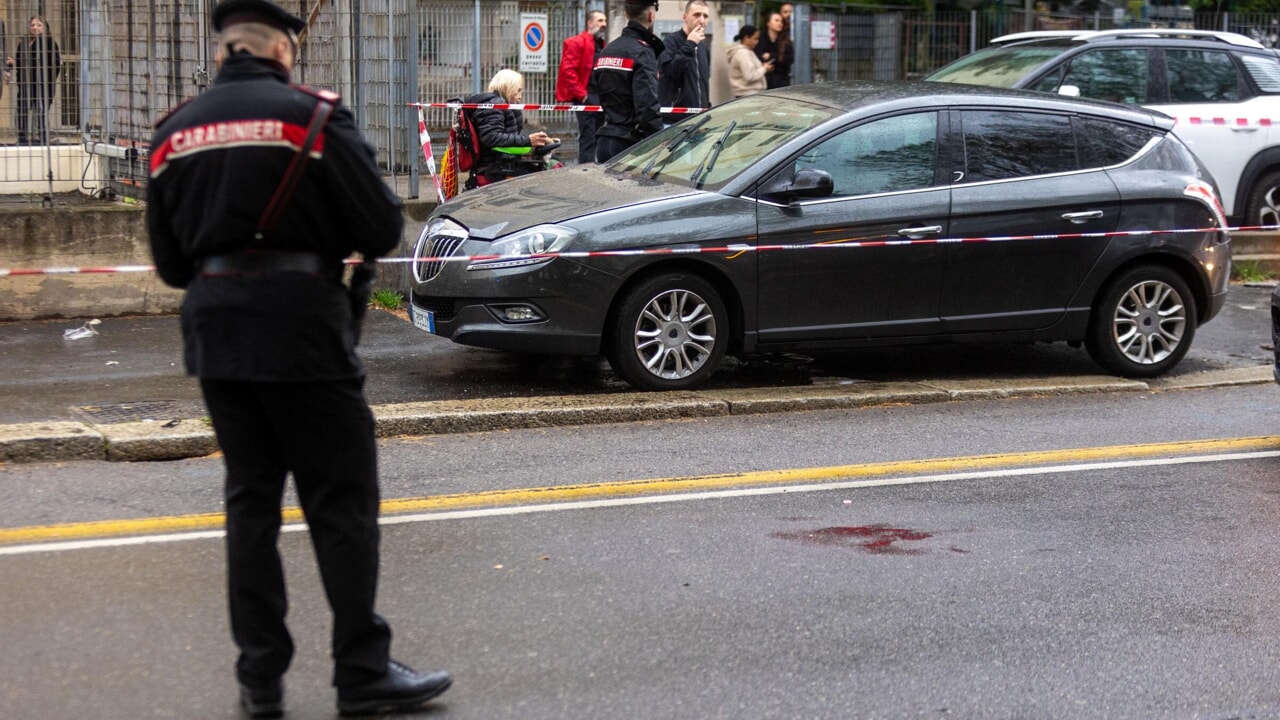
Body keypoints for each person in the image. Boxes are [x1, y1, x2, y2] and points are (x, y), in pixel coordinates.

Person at [145, 1, 451, 717]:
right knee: (341, 503)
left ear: (226, 51)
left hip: (218, 333)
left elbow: (167, 264)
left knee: (250, 503)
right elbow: (377, 226)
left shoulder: (172, 132)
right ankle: (360, 672)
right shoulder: (311, 117)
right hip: (305, 330)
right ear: (283, 49)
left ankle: (260, 684)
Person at [588, 0, 664, 163]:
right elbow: (647, 106)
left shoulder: (607, 50)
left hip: (605, 140)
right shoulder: (643, 52)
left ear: (626, 14)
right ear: (651, 16)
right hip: (631, 145)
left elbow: (598, 93)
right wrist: (660, 142)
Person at [468, 68, 558, 188]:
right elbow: (491, 137)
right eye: (518, 91)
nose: (520, 96)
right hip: (495, 168)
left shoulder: (503, 105)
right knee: (553, 170)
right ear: (508, 87)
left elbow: (507, 138)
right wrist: (528, 141)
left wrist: (535, 143)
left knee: (553, 163)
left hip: (504, 164)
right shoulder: (493, 105)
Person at [555, 10, 607, 164]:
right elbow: (567, 70)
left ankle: (593, 166)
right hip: (586, 96)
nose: (604, 24)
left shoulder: (602, 44)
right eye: (600, 21)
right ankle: (586, 168)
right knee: (588, 136)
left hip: (599, 97)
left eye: (604, 21)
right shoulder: (577, 42)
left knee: (598, 134)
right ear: (590, 23)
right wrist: (581, 94)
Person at [5, 16, 61, 145]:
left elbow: (54, 65)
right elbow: (20, 61)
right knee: (21, 110)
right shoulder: (24, 43)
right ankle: (22, 138)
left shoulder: (49, 43)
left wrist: (47, 80)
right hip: (25, 85)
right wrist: (12, 63)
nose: (35, 27)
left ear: (45, 28)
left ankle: (43, 138)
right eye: (32, 25)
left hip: (42, 84)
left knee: (41, 111)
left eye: (39, 25)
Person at [658, 0, 711, 125]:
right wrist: (690, 44)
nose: (702, 20)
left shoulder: (703, 47)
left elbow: (703, 83)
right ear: (685, 17)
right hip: (675, 121)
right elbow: (669, 72)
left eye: (705, 16)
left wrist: (707, 108)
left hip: (700, 120)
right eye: (697, 15)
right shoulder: (671, 41)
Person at [726, 25, 772, 98]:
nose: (757, 42)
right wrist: (764, 68)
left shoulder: (747, 51)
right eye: (755, 39)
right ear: (746, 38)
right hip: (747, 94)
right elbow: (749, 76)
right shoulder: (743, 53)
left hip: (748, 94)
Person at [754, 10, 792, 89]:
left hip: (782, 80)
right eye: (776, 20)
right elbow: (758, 55)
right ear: (768, 23)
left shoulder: (785, 40)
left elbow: (790, 58)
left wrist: (771, 56)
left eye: (781, 21)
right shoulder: (761, 38)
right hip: (764, 80)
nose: (780, 23)